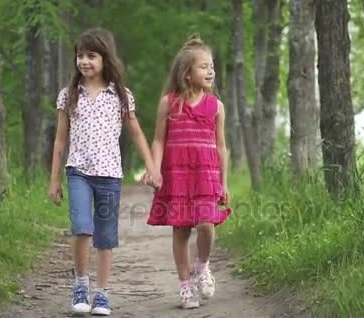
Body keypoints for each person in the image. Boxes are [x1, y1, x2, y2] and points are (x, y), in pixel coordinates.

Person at [48, 27, 160, 316]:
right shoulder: (69, 95)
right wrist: (54, 180)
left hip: (110, 174)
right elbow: (60, 139)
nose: (84, 61)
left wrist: (151, 167)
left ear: (105, 59)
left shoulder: (120, 95)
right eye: (80, 55)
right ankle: (81, 285)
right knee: (82, 228)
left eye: (91, 56)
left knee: (106, 236)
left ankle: (102, 293)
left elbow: (136, 133)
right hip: (78, 173)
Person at [145, 35, 231, 309]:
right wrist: (154, 169)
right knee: (180, 231)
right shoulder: (168, 102)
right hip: (177, 176)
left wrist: (224, 182)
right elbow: (158, 140)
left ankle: (202, 265)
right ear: (186, 73)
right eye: (204, 66)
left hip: (206, 175)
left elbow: (221, 145)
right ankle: (185, 286)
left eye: (212, 66)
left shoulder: (216, 106)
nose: (211, 71)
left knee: (206, 224)